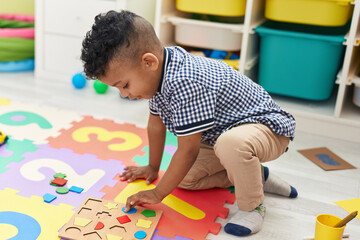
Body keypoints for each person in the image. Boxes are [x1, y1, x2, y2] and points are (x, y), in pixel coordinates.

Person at [81, 10, 298, 237]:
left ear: (148, 62)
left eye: (124, 85)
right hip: (221, 136)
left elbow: (188, 150)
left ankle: (252, 207)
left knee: (228, 145)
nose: (125, 94)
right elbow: (156, 125)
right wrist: (153, 167)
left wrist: (158, 194)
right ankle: (257, 176)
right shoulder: (156, 74)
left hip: (267, 127)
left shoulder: (185, 81)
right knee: (183, 179)